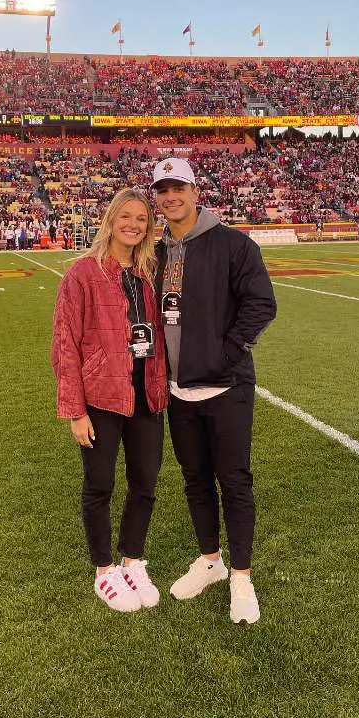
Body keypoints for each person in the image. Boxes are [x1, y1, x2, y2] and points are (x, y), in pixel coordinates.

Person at [152, 157, 277, 625]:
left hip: (225, 387)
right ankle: (210, 559)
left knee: (235, 481)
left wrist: (226, 353)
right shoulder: (156, 251)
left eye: (178, 187)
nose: (171, 197)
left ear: (194, 190)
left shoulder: (233, 244)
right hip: (178, 392)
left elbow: (261, 304)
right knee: (194, 480)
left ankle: (241, 576)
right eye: (163, 190)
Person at [51, 188, 169, 614]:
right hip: (101, 396)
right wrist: (75, 411)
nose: (134, 225)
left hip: (146, 394)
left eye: (141, 219)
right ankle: (105, 570)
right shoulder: (83, 274)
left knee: (145, 483)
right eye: (126, 217)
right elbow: (65, 345)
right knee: (100, 485)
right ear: (111, 220)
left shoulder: (149, 274)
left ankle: (132, 559)